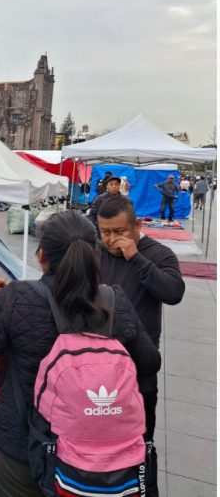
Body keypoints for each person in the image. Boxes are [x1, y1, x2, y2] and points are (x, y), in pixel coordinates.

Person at [0, 211, 160, 497]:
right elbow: (151, 362)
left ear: (42, 256)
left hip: (20, 454)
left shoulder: (18, 298)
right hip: (95, 464)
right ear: (94, 255)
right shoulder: (114, 301)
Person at [97, 196, 185, 496]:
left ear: (137, 225)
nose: (112, 239)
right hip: (96, 368)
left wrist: (136, 258)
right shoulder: (96, 252)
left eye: (119, 231)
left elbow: (173, 293)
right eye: (105, 232)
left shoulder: (158, 254)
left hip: (139, 368)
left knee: (139, 440)